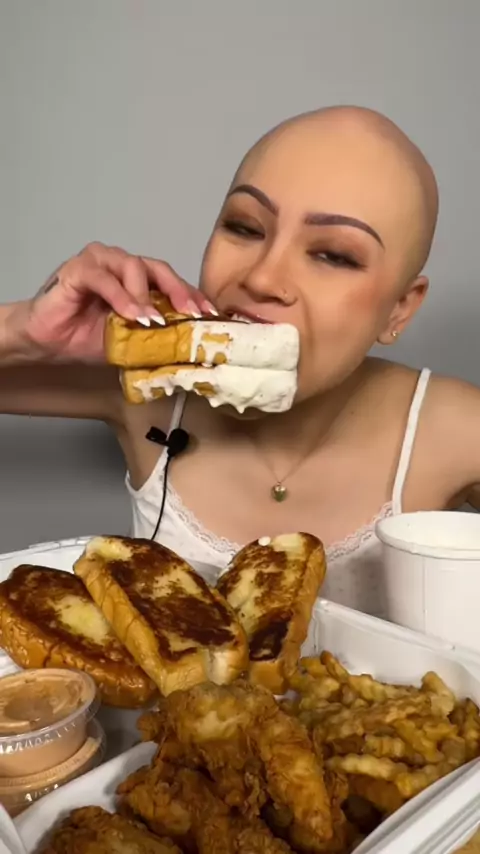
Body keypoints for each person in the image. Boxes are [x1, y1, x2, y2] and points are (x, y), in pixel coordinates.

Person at [1, 105, 479, 618]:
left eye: (334, 255)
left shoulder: (451, 429)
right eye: (245, 227)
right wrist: (24, 330)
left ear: (400, 308)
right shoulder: (146, 391)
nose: (261, 278)